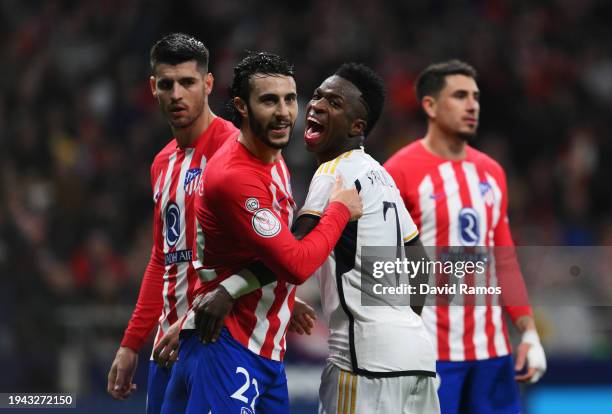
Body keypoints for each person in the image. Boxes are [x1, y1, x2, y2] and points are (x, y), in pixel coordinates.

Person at [196, 63, 441, 413]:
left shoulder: (333, 172)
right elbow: (419, 261)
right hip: (418, 357)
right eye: (318, 96)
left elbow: (292, 253)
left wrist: (228, 289)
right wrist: (404, 324)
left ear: (357, 127)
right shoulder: (380, 175)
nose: (318, 105)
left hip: (363, 360)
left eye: (335, 103)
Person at [160, 52, 362, 414]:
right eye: (269, 100)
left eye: (289, 99)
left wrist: (279, 295)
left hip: (265, 350)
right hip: (224, 346)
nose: (284, 112)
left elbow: (262, 250)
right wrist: (340, 210)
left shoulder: (272, 156)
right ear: (241, 106)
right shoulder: (236, 176)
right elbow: (297, 264)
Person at [384, 59, 547, 414]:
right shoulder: (398, 172)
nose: (472, 104)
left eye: (475, 96)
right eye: (459, 96)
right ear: (429, 105)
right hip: (431, 355)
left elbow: (504, 258)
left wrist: (528, 331)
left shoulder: (492, 172)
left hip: (493, 354)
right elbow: (379, 266)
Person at [106, 33, 239, 414]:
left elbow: (257, 252)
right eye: (167, 84)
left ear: (209, 84)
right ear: (153, 88)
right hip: (166, 349)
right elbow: (163, 259)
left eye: (188, 83)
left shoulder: (236, 152)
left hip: (217, 342)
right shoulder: (162, 164)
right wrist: (131, 344)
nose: (177, 94)